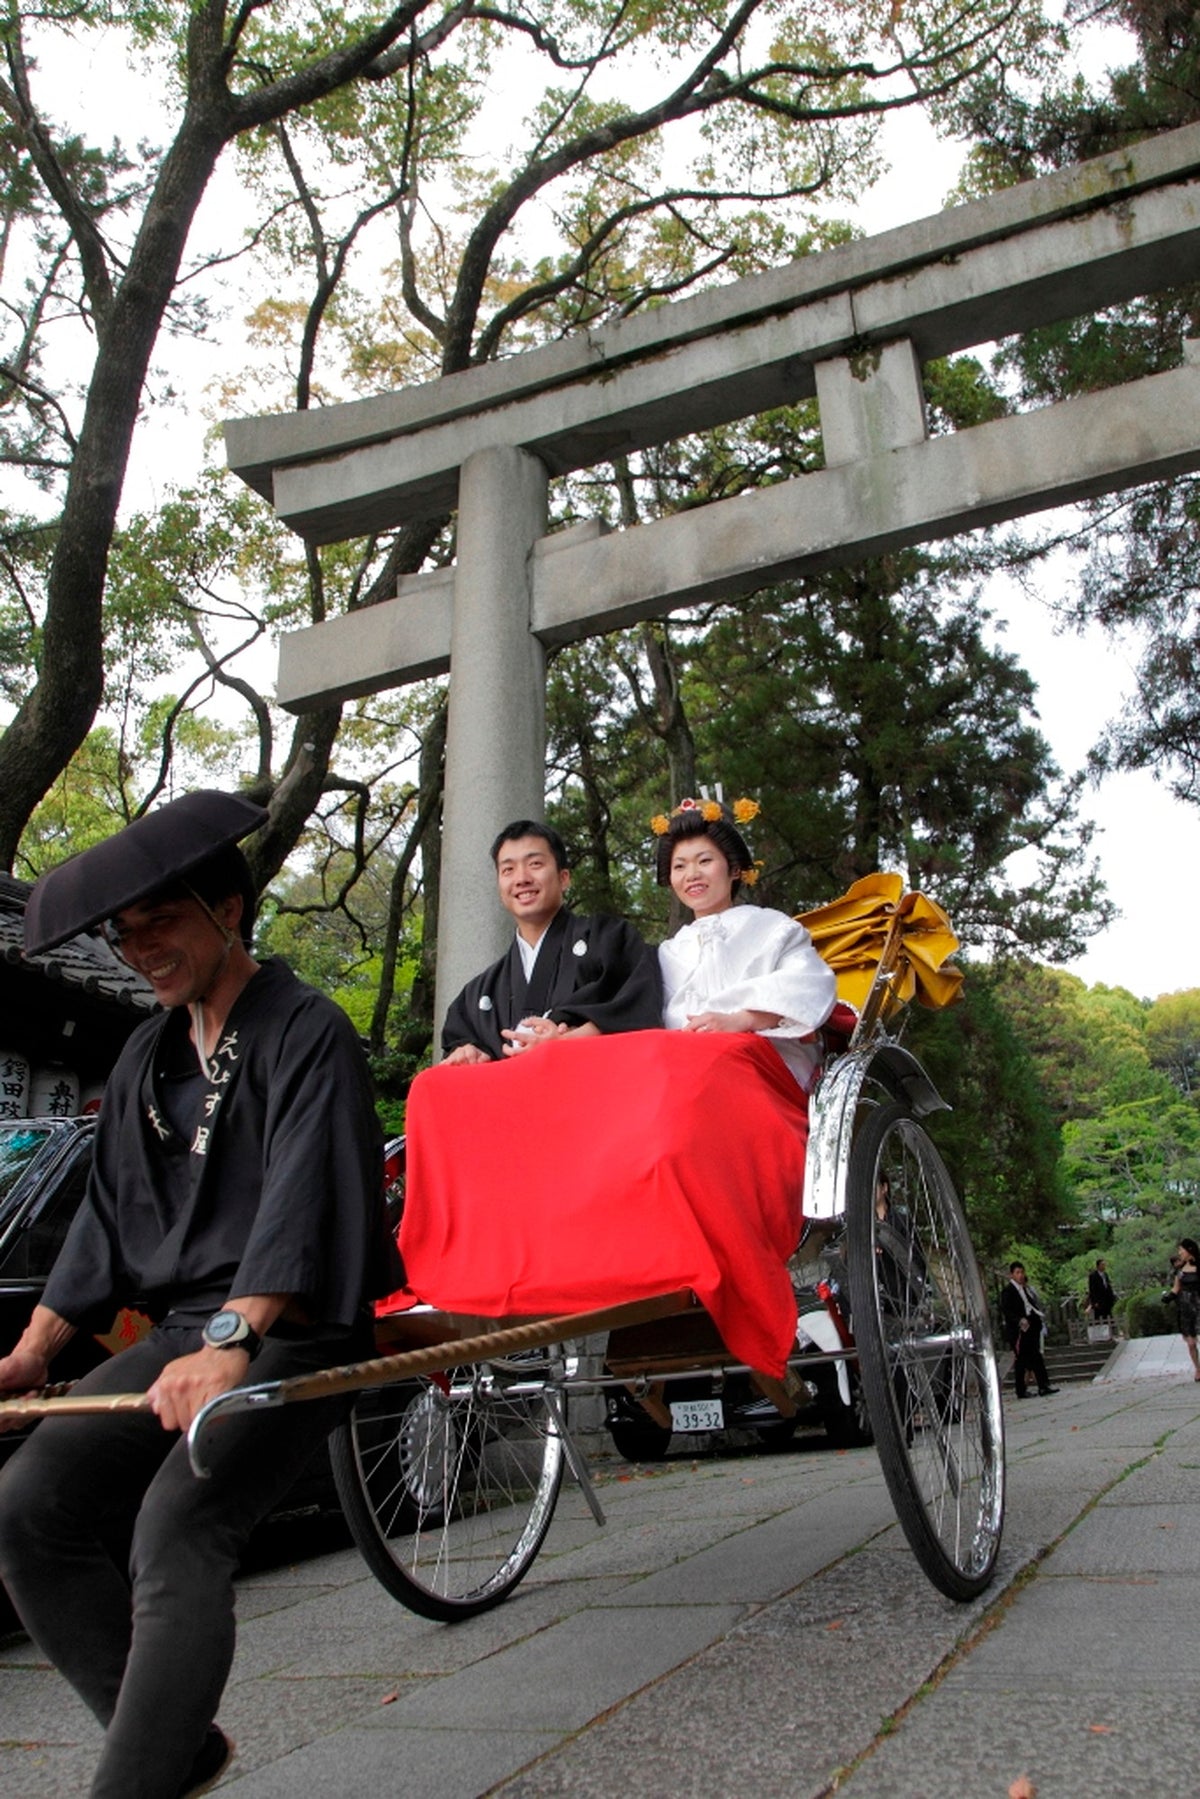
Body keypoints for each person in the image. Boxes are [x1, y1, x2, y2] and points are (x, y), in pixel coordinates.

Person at [0, 791, 401, 1799]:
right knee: (28, 1504)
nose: (140, 948)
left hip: (300, 1329)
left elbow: (306, 1194)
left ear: (232, 908)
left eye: (162, 921)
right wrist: (34, 1349)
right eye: (124, 933)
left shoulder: (306, 1028)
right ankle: (174, 1749)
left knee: (176, 1529)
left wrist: (234, 1334)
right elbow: (107, 1215)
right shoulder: (144, 1053)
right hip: (190, 1331)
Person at [441, 819, 661, 1064]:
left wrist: (567, 1042)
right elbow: (460, 1045)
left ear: (564, 878)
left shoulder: (607, 939)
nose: (522, 878)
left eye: (535, 864)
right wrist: (469, 1052)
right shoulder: (481, 991)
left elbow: (639, 1005)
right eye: (508, 870)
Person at [654, 796, 837, 1087]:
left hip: (765, 1057)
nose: (692, 875)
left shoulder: (773, 927)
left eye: (705, 861)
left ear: (735, 869)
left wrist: (742, 1019)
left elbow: (809, 983)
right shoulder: (669, 951)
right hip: (685, 1064)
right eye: (679, 866)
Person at [1000, 1262, 1059, 1399]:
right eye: (1017, 1273)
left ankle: (1043, 1385)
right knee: (1021, 1359)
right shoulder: (1008, 1291)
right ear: (1012, 1274)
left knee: (1036, 1356)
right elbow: (1007, 1310)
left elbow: (1030, 1305)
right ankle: (1021, 1390)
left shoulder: (1024, 1289)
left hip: (1030, 1326)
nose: (1020, 1275)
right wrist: (1019, 1320)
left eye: (1022, 1272)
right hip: (1019, 1329)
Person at [1172, 1238, 1200, 1381]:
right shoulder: (1180, 1270)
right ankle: (1198, 1369)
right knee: (1190, 1343)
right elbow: (1176, 1288)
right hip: (1185, 1307)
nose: (1179, 1253)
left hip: (1198, 1305)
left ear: (1189, 1250)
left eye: (1181, 1250)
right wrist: (1170, 1296)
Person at [1087, 1257, 1116, 1324]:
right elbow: (1092, 1289)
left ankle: (1110, 1331)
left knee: (1109, 1316)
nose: (1104, 1266)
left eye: (1104, 1265)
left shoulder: (1105, 1275)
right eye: (1102, 1264)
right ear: (1098, 1266)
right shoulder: (1093, 1276)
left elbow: (1108, 1286)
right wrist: (1095, 1301)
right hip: (1099, 1300)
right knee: (1100, 1317)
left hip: (1107, 1299)